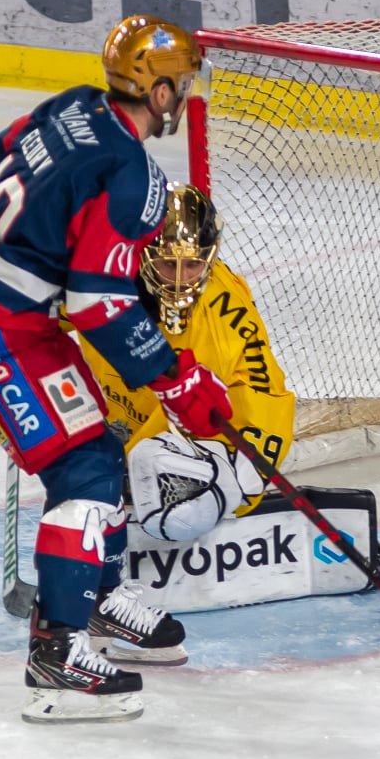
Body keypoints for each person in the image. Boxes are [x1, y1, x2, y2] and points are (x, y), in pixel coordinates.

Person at [0, 15, 232, 724]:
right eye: (183, 86)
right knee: (83, 471)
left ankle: (94, 598)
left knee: (99, 456)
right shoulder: (135, 175)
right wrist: (179, 381)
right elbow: (98, 304)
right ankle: (56, 657)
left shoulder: (69, 108)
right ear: (165, 88)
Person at [77, 186, 295, 583]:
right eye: (165, 264)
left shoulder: (223, 313)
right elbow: (32, 315)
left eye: (192, 265)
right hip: (123, 418)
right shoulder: (101, 278)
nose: (179, 281)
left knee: (164, 488)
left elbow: (265, 395)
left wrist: (237, 483)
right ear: (142, 253)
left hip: (207, 438)